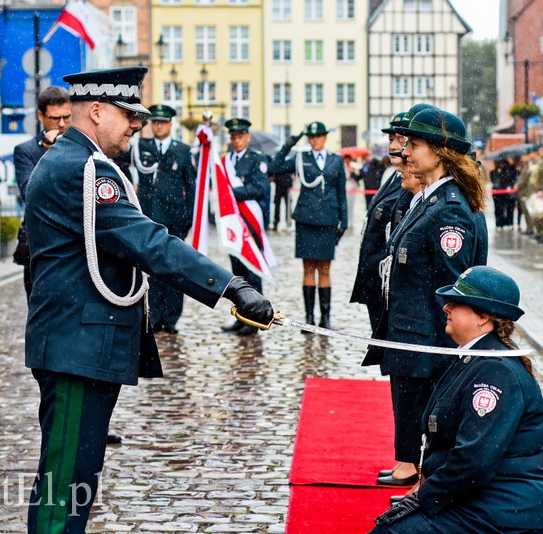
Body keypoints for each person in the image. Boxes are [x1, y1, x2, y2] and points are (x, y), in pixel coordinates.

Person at [22, 66, 274, 533]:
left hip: (80, 345)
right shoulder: (82, 170)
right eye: (127, 114)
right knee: (64, 489)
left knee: (75, 482)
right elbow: (148, 241)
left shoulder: (78, 162)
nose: (137, 124)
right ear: (96, 111)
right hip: (77, 348)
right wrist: (229, 286)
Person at [371, 266, 543, 533]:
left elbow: (474, 460)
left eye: (457, 303)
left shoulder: (495, 371)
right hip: (482, 501)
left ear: (483, 318)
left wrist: (425, 497)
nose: (446, 307)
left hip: (504, 512)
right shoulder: (475, 356)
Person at [362, 108, 488, 492]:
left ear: (439, 152)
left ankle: (424, 472)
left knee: (426, 407)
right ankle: (411, 465)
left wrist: (448, 348)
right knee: (408, 400)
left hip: (427, 334)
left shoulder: (448, 209)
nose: (406, 152)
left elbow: (453, 288)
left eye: (414, 145)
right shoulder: (426, 200)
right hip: (408, 326)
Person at [270, 121, 347, 329]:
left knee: (324, 269)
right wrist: (289, 144)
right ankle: (310, 318)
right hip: (306, 219)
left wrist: (344, 221)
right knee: (307, 269)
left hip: (328, 220)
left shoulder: (336, 160)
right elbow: (274, 167)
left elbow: (341, 192)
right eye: (311, 137)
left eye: (318, 136)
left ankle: (325, 318)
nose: (315, 140)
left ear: (325, 137)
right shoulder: (300, 158)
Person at [132, 104, 196, 334]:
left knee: (174, 268)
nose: (158, 126)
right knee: (152, 268)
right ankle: (154, 313)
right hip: (148, 215)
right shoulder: (141, 146)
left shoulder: (183, 150)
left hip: (175, 217)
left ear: (171, 124)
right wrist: (140, 125)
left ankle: (171, 317)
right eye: (155, 122)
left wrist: (189, 217)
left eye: (162, 122)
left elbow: (191, 186)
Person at [351, 112, 408, 331]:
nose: (393, 146)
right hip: (376, 281)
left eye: (400, 140)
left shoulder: (411, 182)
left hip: (388, 285)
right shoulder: (392, 175)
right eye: (391, 140)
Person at [13, 86, 72, 301]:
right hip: (40, 245)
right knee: (39, 307)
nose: (62, 124)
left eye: (67, 117)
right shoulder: (27, 151)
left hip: (73, 245)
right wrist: (52, 153)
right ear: (41, 116)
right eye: (55, 118)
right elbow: (30, 194)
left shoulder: (81, 147)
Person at [218, 117, 271, 336]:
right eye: (233, 137)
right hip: (232, 223)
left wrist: (232, 193)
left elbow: (260, 188)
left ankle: (255, 319)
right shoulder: (226, 160)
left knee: (252, 272)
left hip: (250, 223)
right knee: (237, 274)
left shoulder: (256, 159)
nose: (237, 140)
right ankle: (241, 317)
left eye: (240, 136)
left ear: (247, 137)